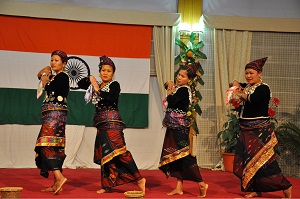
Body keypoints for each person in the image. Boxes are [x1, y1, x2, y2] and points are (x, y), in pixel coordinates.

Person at [78, 55, 146, 194]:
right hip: (101, 123)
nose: (105, 73)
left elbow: (111, 98)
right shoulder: (97, 84)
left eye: (108, 71)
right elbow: (80, 84)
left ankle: (139, 179)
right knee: (105, 153)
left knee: (120, 151)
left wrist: (97, 89)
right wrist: (91, 79)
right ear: (100, 72)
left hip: (112, 122)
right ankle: (107, 185)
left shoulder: (114, 85)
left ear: (113, 73)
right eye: (103, 70)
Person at [231, 57, 292, 198]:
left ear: (259, 73)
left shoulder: (263, 88)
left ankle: (286, 186)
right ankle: (256, 188)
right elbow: (235, 84)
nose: (248, 76)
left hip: (260, 131)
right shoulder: (248, 87)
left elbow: (253, 99)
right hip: (246, 130)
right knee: (248, 160)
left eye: (251, 73)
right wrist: (235, 84)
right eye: (246, 73)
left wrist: (239, 91)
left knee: (265, 161)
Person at [159, 62, 208, 198]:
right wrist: (169, 84)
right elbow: (169, 87)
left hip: (179, 129)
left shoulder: (184, 90)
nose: (179, 78)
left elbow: (173, 101)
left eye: (183, 76)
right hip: (174, 127)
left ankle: (201, 183)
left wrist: (169, 92)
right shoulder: (180, 88)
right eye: (178, 75)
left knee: (185, 156)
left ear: (189, 80)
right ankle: (179, 187)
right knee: (177, 157)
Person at [34, 50, 69, 195]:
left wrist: (44, 77)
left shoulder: (62, 77)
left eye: (56, 60)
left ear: (64, 63)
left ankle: (59, 177)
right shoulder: (55, 76)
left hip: (55, 115)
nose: (53, 62)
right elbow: (39, 75)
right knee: (54, 147)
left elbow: (47, 86)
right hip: (52, 114)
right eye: (52, 60)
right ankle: (56, 183)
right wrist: (45, 72)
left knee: (45, 144)